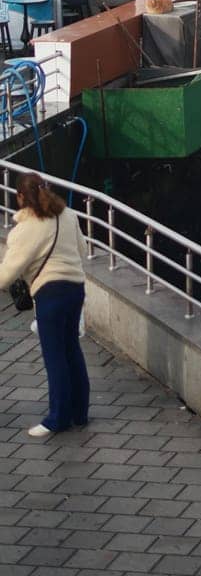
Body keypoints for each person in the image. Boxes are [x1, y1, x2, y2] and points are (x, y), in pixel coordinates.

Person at [0, 171, 90, 437]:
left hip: (50, 294)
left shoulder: (25, 230)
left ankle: (57, 419)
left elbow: (5, 275)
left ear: (19, 197)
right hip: (76, 289)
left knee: (55, 356)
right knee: (72, 348)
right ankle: (80, 413)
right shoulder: (68, 215)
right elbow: (82, 250)